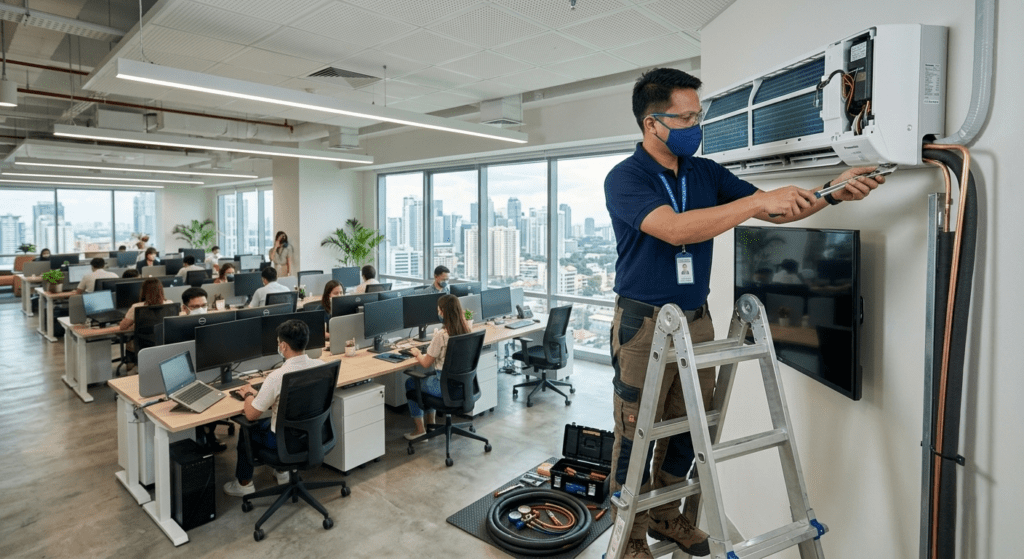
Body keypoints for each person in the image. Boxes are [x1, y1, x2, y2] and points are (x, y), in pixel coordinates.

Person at [603, 68, 883, 558]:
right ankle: (630, 536)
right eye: (684, 118)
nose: (695, 125)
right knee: (636, 433)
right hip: (643, 324)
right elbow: (674, 229)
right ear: (651, 123)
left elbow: (775, 209)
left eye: (697, 116)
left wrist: (832, 190)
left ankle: (667, 517)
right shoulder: (625, 178)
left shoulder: (706, 173)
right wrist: (754, 203)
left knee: (689, 426)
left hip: (695, 319)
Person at [224, 319, 325, 497]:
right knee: (275, 421)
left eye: (279, 342)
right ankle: (282, 474)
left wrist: (248, 395)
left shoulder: (277, 377)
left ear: (283, 346)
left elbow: (251, 414)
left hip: (283, 442)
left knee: (247, 430)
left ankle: (244, 484)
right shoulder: (322, 366)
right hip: (314, 435)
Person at [402, 294, 470, 441]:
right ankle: (431, 424)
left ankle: (420, 430)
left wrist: (417, 353)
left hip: (443, 388)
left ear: (443, 312)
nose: (438, 312)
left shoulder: (441, 336)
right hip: (463, 387)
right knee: (430, 377)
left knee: (411, 383)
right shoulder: (466, 330)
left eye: (439, 310)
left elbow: (426, 363)